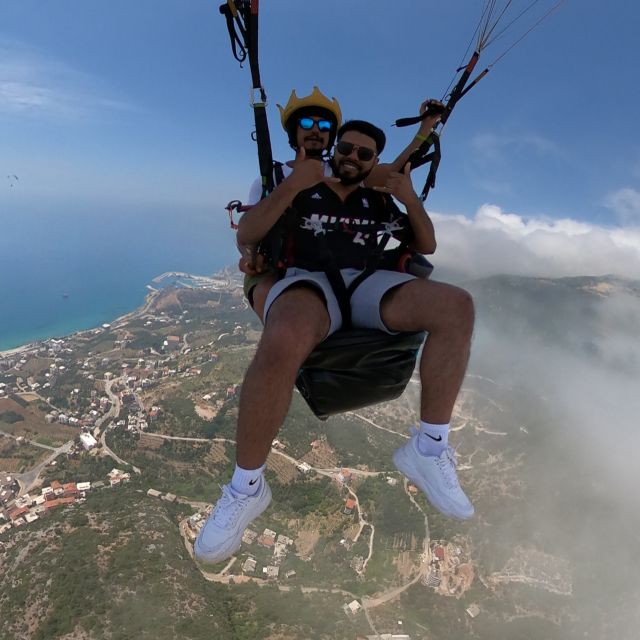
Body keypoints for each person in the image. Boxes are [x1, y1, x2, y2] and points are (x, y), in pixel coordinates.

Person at [194, 118, 475, 566]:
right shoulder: (304, 183)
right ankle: (246, 487)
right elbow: (248, 235)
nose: (353, 158)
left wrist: (409, 196)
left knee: (457, 305)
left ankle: (429, 448)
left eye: (365, 155)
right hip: (308, 281)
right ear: (335, 149)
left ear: (373, 162)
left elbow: (428, 243)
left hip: (365, 282)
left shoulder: (378, 198)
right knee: (284, 333)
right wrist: (293, 187)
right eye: (347, 148)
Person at [240, 86, 444, 319]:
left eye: (324, 126)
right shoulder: (274, 177)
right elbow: (248, 234)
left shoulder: (344, 171)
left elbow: (396, 170)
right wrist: (248, 256)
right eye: (307, 124)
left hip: (341, 267)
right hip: (283, 265)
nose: (316, 130)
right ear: (294, 130)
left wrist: (425, 128)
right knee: (272, 299)